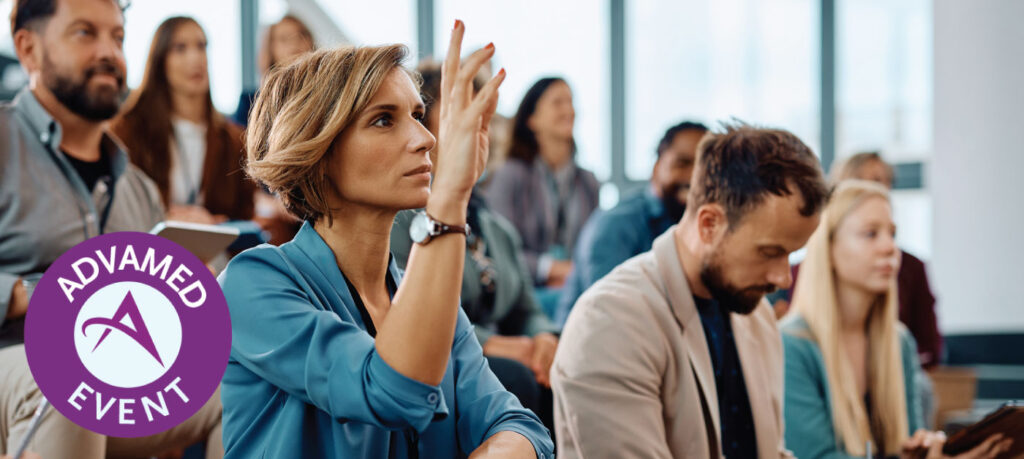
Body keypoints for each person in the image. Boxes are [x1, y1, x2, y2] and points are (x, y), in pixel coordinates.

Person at [217, 23, 553, 458]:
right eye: (383, 120)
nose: (427, 139)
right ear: (317, 153)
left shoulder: (428, 303)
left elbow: (522, 426)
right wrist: (449, 200)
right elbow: (393, 390)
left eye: (416, 115)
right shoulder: (252, 283)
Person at [0, 0, 222, 457]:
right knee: (63, 383)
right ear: (28, 49)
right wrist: (22, 294)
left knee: (245, 383)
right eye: (85, 33)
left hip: (111, 374)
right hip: (16, 363)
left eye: (117, 37)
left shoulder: (138, 188)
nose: (109, 52)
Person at [551, 123, 829, 458]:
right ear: (709, 223)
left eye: (791, 254)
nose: (784, 278)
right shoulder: (609, 321)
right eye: (769, 252)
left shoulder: (756, 315)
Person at [781, 180, 1012, 459]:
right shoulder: (792, 345)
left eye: (893, 233)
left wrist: (927, 448)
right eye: (871, 234)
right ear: (828, 248)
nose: (890, 247)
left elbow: (905, 441)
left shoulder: (898, 341)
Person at [391, 61, 560, 430]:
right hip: (444, 357)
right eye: (462, 116)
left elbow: (526, 308)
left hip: (506, 354)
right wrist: (490, 344)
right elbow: (402, 307)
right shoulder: (400, 219)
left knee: (564, 367)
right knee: (517, 378)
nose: (482, 129)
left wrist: (542, 338)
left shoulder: (496, 227)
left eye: (486, 117)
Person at [555, 120, 708, 326]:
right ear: (656, 167)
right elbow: (610, 311)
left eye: (705, 167)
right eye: (682, 163)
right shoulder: (617, 224)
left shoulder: (700, 226)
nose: (694, 176)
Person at [112, 16, 255, 226]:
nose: (196, 58)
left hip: (215, 255)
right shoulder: (127, 130)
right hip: (147, 251)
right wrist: (166, 218)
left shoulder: (233, 139)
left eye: (201, 46)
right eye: (180, 48)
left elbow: (245, 217)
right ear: (160, 61)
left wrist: (215, 225)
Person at [484, 77, 599, 297]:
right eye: (558, 102)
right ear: (532, 119)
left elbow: (592, 247)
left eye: (571, 102)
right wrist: (551, 270)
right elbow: (498, 251)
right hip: (522, 292)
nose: (569, 110)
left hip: (576, 287)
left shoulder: (588, 182)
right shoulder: (510, 175)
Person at [232, 14, 314, 127]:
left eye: (300, 36)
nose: (294, 44)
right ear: (270, 49)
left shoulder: (327, 95)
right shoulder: (250, 103)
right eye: (284, 39)